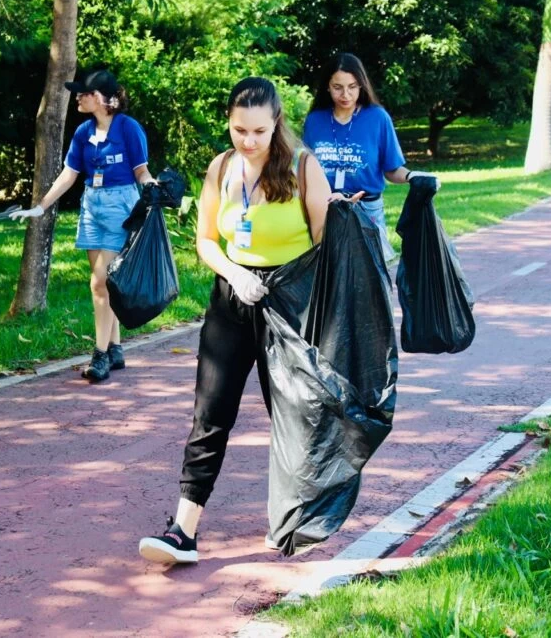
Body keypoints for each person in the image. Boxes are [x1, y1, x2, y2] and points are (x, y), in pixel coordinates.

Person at [138, 77, 335, 564]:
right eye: (239, 129)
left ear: (277, 126)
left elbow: (326, 244)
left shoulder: (304, 168)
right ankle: (183, 530)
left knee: (291, 415)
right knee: (210, 413)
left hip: (290, 304)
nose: (248, 141)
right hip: (232, 299)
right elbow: (206, 240)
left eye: (259, 132)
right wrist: (234, 273)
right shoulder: (221, 168)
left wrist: (298, 298)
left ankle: (296, 517)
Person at [10, 69, 157, 382]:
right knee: (105, 283)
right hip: (91, 206)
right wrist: (40, 207)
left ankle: (100, 355)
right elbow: (69, 175)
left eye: (85, 93)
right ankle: (116, 350)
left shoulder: (129, 129)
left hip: (121, 206)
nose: (78, 96)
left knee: (99, 283)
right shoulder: (83, 133)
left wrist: (151, 185)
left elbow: (141, 170)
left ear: (107, 99)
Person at [302, 53, 437, 261]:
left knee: (370, 280)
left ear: (362, 85)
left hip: (367, 209)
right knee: (330, 279)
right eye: (338, 87)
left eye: (353, 86)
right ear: (327, 87)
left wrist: (412, 176)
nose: (346, 94)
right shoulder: (315, 120)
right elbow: (304, 171)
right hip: (326, 210)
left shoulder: (377, 118)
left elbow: (391, 168)